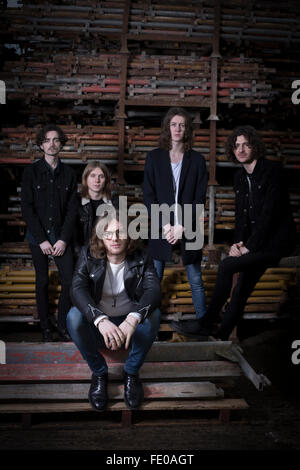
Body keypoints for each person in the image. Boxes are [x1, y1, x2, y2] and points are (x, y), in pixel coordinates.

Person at [171, 125, 296, 340]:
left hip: (277, 242)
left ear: (255, 146)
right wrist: (237, 243)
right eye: (237, 146)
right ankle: (221, 336)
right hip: (255, 244)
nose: (241, 150)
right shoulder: (239, 176)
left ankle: (206, 323)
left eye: (246, 145)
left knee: (228, 265)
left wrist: (249, 247)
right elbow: (242, 216)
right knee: (240, 291)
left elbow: (269, 215)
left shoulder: (271, 172)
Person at [67, 210, 161, 411]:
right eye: (108, 233)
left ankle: (131, 373)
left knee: (154, 314)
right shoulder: (87, 254)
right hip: (100, 328)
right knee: (73, 317)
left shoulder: (143, 257)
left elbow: (153, 290)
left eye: (120, 232)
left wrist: (133, 318)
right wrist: (100, 319)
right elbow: (77, 289)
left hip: (130, 329)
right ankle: (100, 373)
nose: (114, 238)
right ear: (100, 236)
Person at [143, 107, 208, 320]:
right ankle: (150, 324)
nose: (177, 128)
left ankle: (202, 324)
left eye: (182, 125)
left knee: (196, 280)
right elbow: (149, 196)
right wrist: (166, 226)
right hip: (162, 226)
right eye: (173, 124)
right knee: (155, 280)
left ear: (187, 129)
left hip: (189, 227)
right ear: (167, 128)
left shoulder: (197, 160)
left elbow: (199, 199)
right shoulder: (154, 158)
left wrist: (183, 226)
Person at [21, 124, 78, 342]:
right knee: (42, 282)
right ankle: (45, 328)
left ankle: (63, 325)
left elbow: (73, 209)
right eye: (47, 140)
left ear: (61, 143)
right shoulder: (31, 172)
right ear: (41, 144)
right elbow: (27, 208)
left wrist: (63, 239)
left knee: (70, 282)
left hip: (62, 237)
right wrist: (42, 239)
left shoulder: (70, 174)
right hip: (38, 238)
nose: (51, 144)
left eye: (56, 140)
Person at [73, 161, 115, 257]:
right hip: (80, 255)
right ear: (85, 178)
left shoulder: (114, 204)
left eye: (101, 176)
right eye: (92, 176)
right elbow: (73, 237)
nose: (97, 180)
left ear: (106, 180)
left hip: (105, 254)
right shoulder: (76, 202)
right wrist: (82, 255)